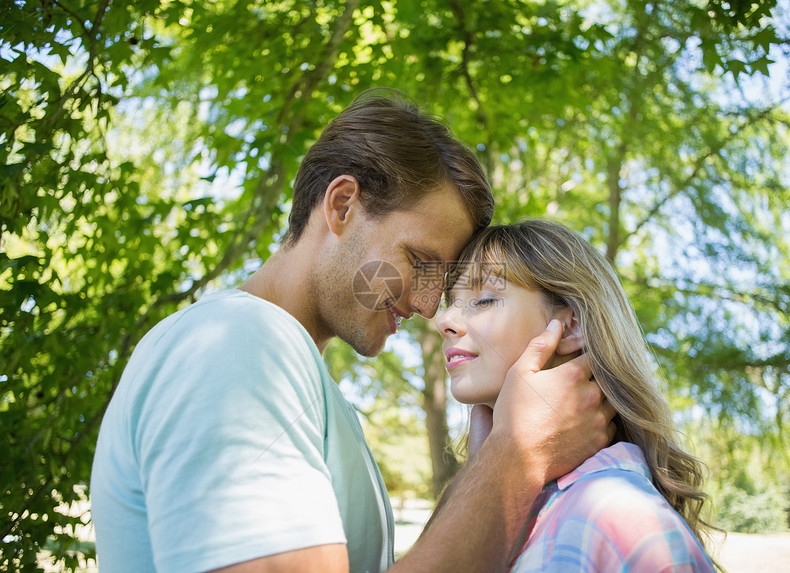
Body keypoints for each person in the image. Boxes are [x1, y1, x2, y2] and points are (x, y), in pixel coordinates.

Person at [90, 90, 616, 573]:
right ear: (342, 206)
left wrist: (481, 467)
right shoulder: (235, 344)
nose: (430, 306)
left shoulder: (289, 372)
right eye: (420, 261)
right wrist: (519, 456)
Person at [437, 220, 719, 572]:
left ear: (571, 326)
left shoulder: (622, 518)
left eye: (484, 299)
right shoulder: (517, 506)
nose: (444, 320)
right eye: (452, 302)